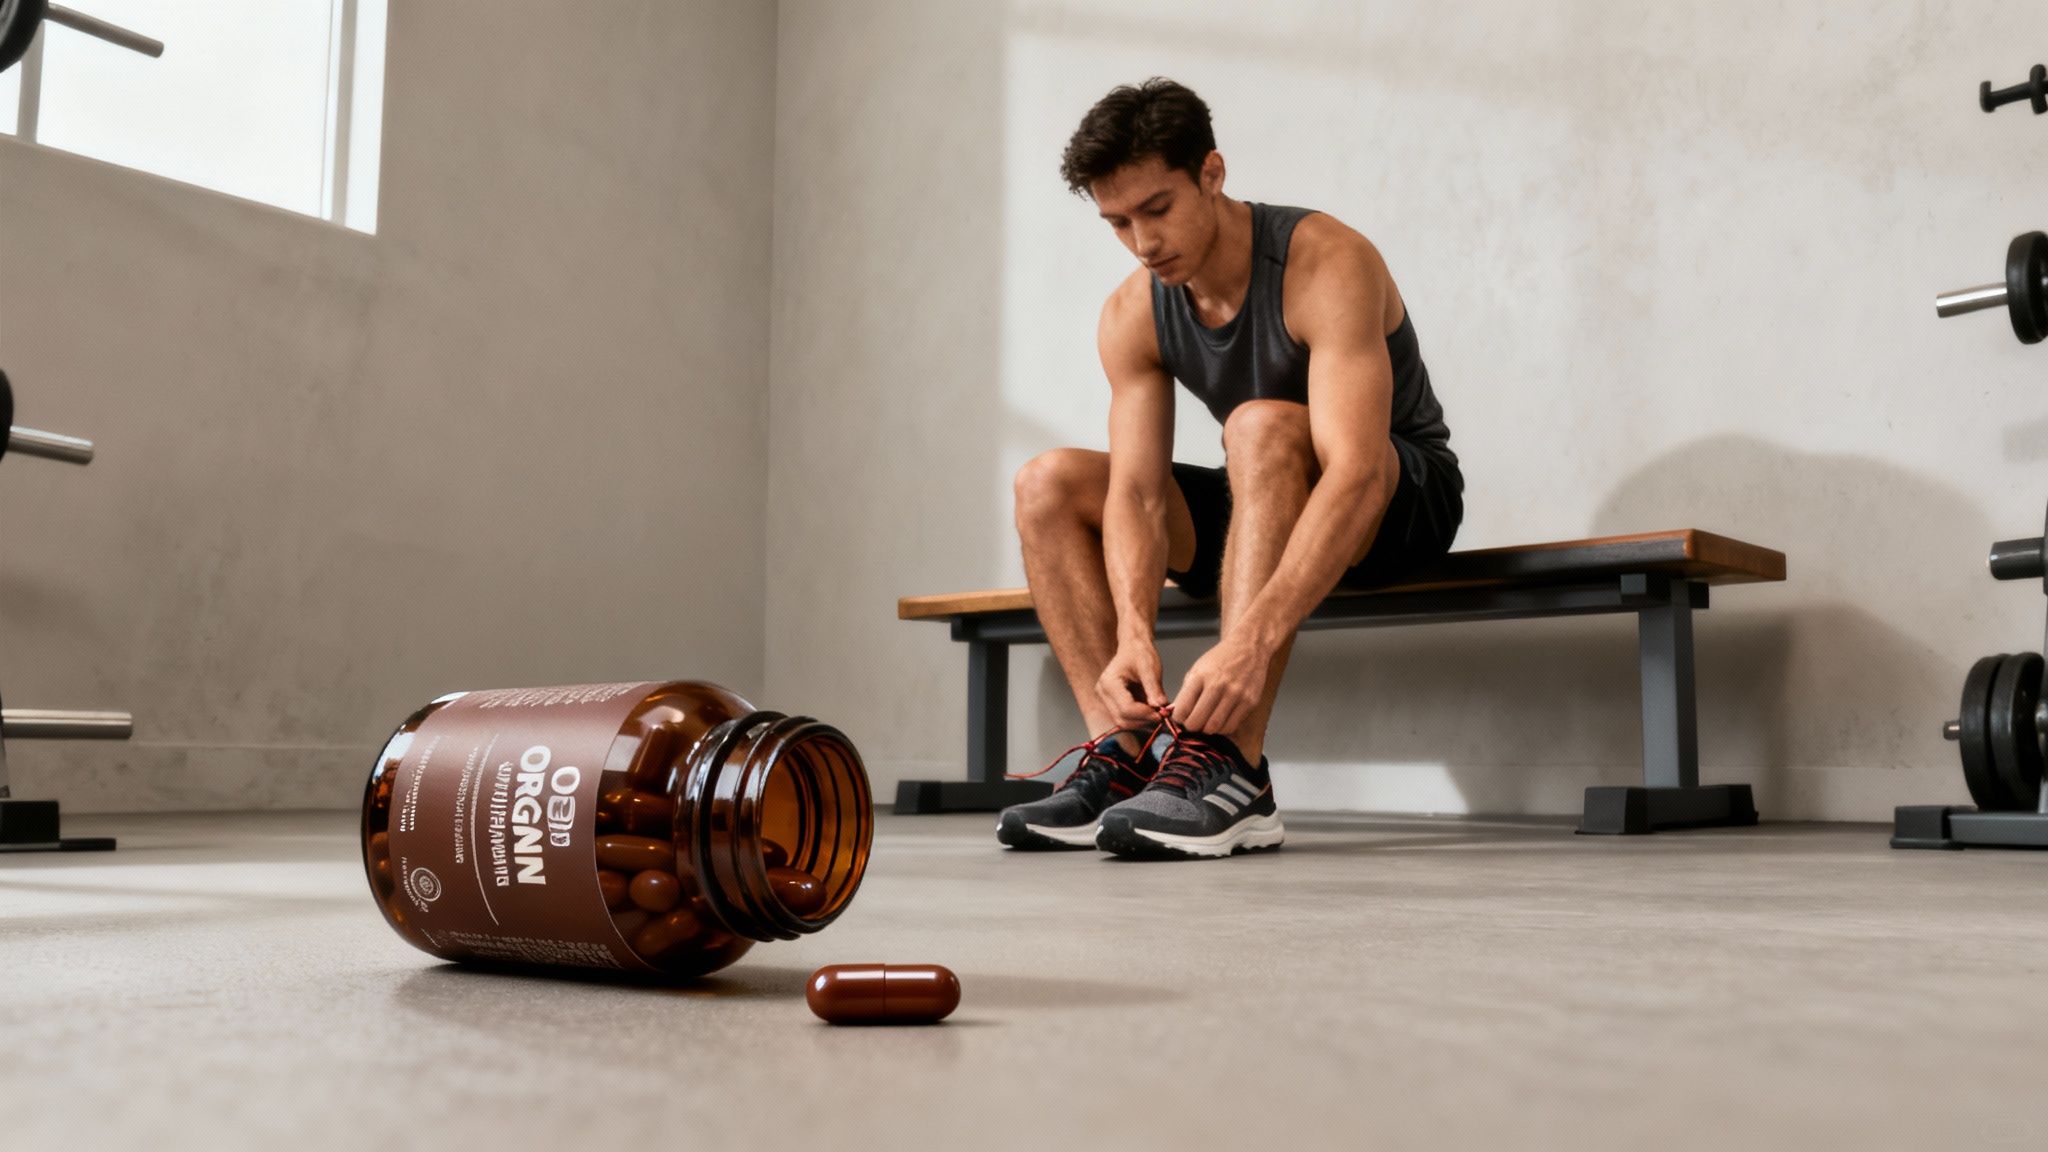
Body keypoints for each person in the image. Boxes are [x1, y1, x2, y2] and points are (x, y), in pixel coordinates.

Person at [996, 78, 1464, 860]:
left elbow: (1354, 473)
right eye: (1118, 222)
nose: (1143, 242)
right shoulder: (1133, 311)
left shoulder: (1326, 261)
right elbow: (1139, 494)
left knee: (1259, 425)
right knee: (1047, 481)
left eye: (1157, 208)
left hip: (1396, 501)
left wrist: (1249, 640)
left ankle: (1233, 768)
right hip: (1267, 500)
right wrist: (1133, 635)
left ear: (1211, 173)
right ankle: (1122, 755)